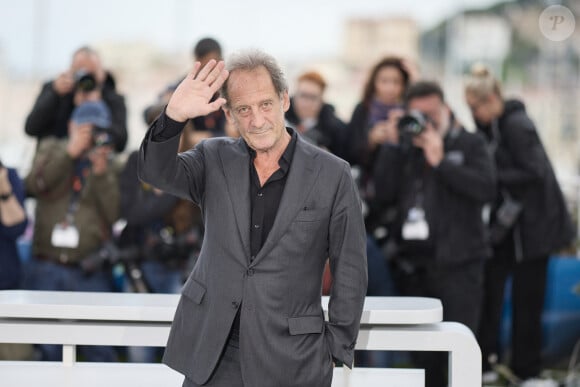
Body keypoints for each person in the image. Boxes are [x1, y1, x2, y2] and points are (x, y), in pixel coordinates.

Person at [138, 50, 368, 387]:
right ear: (229, 113)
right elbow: (155, 172)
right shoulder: (212, 158)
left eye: (265, 105)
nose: (257, 120)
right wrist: (174, 115)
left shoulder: (333, 174)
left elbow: (351, 269)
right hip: (213, 356)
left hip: (293, 358)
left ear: (284, 100)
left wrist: (334, 348)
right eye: (243, 109)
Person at [372, 80, 496, 386]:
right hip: (415, 266)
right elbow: (382, 195)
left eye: (433, 114)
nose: (427, 123)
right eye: (419, 115)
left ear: (446, 109)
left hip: (460, 265)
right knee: (424, 356)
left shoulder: (469, 144)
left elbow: (486, 189)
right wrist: (390, 145)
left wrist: (441, 162)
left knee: (460, 348)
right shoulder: (405, 148)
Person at [464, 64, 575, 386]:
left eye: (479, 106)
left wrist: (493, 179)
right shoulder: (495, 127)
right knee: (492, 296)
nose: (476, 113)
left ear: (493, 98)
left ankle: (528, 370)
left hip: (533, 231)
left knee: (529, 303)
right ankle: (489, 360)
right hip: (511, 232)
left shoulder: (516, 124)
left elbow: (534, 170)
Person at [23, 100, 120, 362]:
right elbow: (34, 185)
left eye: (96, 129)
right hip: (47, 267)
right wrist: (70, 153)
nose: (91, 134)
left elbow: (114, 216)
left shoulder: (110, 162)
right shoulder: (50, 148)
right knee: (46, 351)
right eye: (84, 128)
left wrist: (100, 174)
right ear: (71, 126)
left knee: (99, 349)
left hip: (90, 269)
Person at [120, 105, 205, 363]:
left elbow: (202, 223)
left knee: (181, 350)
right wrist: (168, 187)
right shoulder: (137, 160)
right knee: (138, 351)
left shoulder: (195, 165)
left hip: (181, 269)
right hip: (141, 265)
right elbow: (132, 213)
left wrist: (162, 187)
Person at [25, 46, 127, 152]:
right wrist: (55, 95)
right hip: (56, 160)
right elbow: (31, 128)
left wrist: (95, 111)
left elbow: (121, 141)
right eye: (81, 72)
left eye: (92, 74)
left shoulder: (112, 97)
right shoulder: (56, 90)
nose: (87, 80)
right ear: (71, 71)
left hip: (95, 163)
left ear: (102, 74)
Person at [143, 37, 226, 142]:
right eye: (203, 67)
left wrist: (208, 135)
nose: (207, 73)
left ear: (221, 61)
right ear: (196, 62)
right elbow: (149, 114)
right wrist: (170, 105)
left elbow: (233, 132)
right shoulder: (184, 86)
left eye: (212, 67)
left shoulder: (229, 89)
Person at [0, 161, 33, 360]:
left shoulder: (8, 174)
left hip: (6, 287)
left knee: (17, 362)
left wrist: (4, 192)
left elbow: (17, 228)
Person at [285, 70, 347, 158]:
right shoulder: (281, 121)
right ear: (294, 95)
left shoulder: (336, 130)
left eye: (313, 97)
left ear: (322, 100)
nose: (307, 103)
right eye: (303, 95)